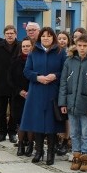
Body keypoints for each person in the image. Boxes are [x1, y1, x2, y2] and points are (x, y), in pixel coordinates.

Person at [20, 27, 67, 164]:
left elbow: (65, 71)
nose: (46, 38)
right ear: (40, 38)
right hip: (37, 91)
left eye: (49, 36)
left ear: (54, 38)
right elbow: (27, 71)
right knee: (38, 122)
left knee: (51, 123)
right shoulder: (33, 52)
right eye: (43, 36)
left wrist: (55, 76)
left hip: (52, 91)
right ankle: (39, 151)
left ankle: (51, 152)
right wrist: (38, 77)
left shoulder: (60, 52)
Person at [58, 34, 87, 172]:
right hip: (71, 103)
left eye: (85, 46)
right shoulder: (69, 61)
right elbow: (64, 83)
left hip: (86, 104)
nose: (82, 48)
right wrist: (63, 103)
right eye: (80, 46)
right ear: (75, 46)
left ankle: (85, 157)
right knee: (75, 131)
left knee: (86, 132)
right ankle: (76, 155)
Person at [0, 24, 19, 143]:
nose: (10, 35)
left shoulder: (20, 46)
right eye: (7, 33)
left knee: (14, 111)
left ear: (15, 34)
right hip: (0, 84)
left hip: (15, 85)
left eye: (12, 33)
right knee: (0, 111)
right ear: (4, 35)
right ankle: (2, 132)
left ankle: (12, 132)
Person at [8, 37, 32, 156]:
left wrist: (30, 92)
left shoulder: (35, 61)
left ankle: (30, 145)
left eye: (28, 46)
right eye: (23, 46)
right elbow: (10, 79)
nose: (26, 48)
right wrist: (20, 91)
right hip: (18, 96)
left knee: (31, 121)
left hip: (32, 96)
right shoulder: (15, 61)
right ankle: (21, 144)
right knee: (20, 121)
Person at [55, 30, 72, 157]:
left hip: (67, 89)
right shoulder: (54, 53)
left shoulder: (70, 55)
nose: (62, 41)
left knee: (66, 118)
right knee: (56, 116)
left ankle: (65, 141)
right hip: (55, 88)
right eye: (59, 38)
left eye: (64, 38)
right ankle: (57, 140)